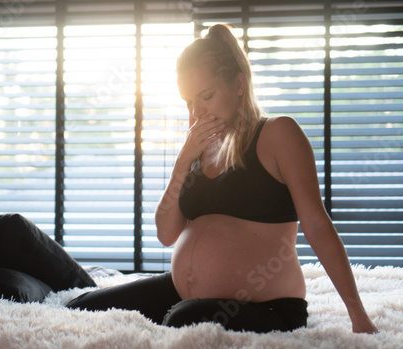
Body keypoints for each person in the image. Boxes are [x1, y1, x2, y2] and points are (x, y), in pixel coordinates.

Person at [66, 23, 378, 334]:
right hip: (181, 292)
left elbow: (317, 225)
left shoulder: (278, 134)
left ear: (239, 85)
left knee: (182, 320)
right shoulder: (198, 149)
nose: (196, 113)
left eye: (207, 96)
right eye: (189, 103)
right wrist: (183, 161)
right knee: (80, 309)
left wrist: (358, 314)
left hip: (266, 306)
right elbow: (166, 233)